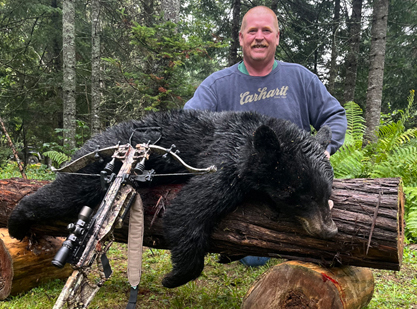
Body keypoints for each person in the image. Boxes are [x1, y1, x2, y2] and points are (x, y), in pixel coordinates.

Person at [184, 6, 347, 266]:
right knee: (255, 259)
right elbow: (188, 123)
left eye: (266, 31)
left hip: (298, 187)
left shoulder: (301, 78)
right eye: (252, 31)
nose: (259, 37)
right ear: (241, 38)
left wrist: (324, 153)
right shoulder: (217, 85)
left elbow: (334, 116)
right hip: (245, 189)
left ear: (278, 37)